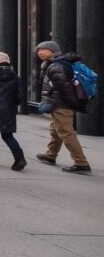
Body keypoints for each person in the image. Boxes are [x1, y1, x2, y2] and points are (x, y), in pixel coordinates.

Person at [35, 41, 91, 173]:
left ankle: (81, 163)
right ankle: (50, 155)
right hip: (58, 103)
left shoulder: (56, 66)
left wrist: (70, 105)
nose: (40, 52)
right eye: (38, 50)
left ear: (53, 51)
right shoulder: (53, 64)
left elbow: (65, 89)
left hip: (61, 105)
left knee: (66, 133)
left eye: (43, 49)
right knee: (55, 130)